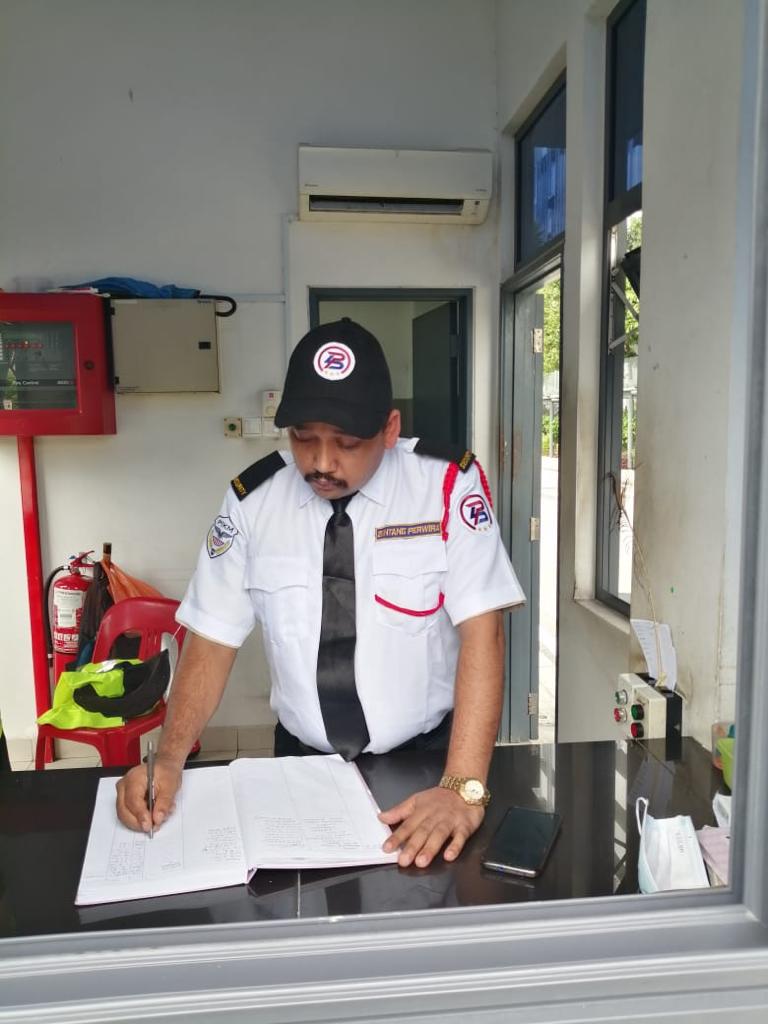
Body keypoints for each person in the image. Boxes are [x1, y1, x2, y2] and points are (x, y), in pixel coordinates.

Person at [117, 319, 525, 868]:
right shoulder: (253, 502)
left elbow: (484, 633)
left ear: (389, 428)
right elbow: (211, 639)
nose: (322, 462)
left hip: (428, 764)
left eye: (346, 443)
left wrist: (462, 787)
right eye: (304, 438)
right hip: (299, 765)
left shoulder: (447, 486)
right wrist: (169, 758)